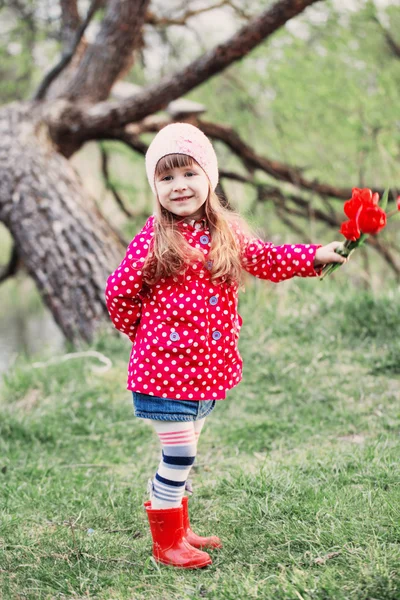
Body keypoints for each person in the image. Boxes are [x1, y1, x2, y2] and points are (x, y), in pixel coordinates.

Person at [105, 123, 348, 569]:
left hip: (203, 373)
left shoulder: (227, 232)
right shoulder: (155, 238)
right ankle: (166, 543)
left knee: (184, 453)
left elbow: (267, 258)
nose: (179, 186)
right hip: (162, 375)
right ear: (154, 187)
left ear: (209, 178)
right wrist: (141, 333)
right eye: (166, 178)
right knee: (179, 455)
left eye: (188, 174)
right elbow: (119, 291)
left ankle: (178, 527)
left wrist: (314, 255)